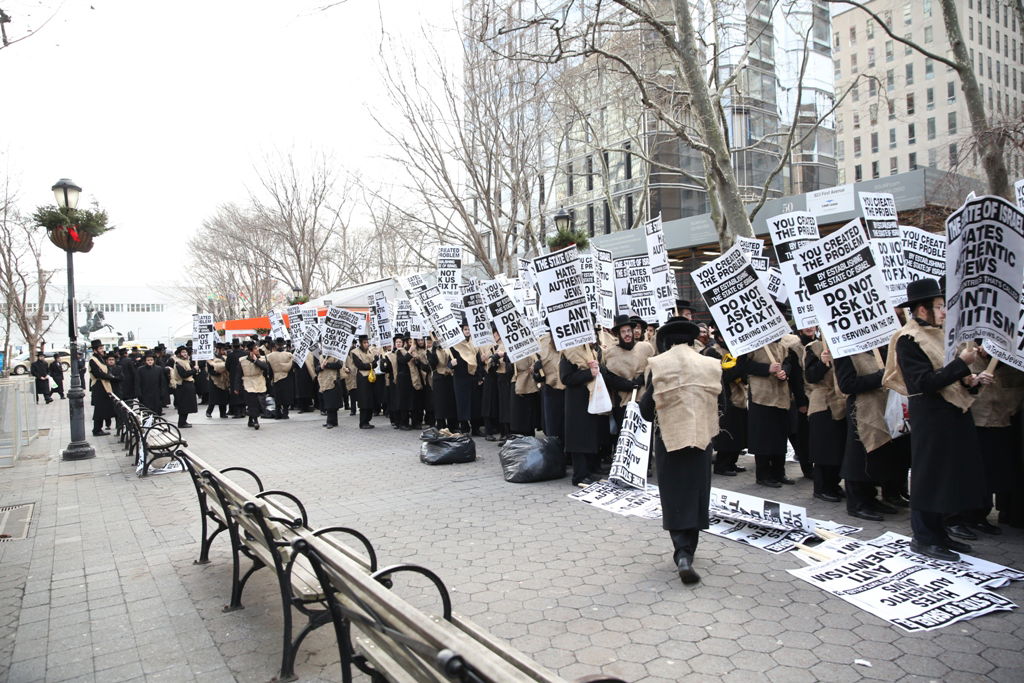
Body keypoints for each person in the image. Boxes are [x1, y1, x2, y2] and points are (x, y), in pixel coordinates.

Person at [886, 278, 988, 562]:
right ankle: (923, 537)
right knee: (929, 476)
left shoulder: (942, 334)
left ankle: (940, 533)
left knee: (947, 477)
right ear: (922, 309)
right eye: (940, 306)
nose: (944, 311)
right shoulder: (908, 339)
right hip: (931, 417)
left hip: (953, 413)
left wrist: (971, 380)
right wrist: (962, 364)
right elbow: (923, 383)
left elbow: (951, 377)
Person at [637, 318, 721, 585]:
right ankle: (688, 552)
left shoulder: (658, 365)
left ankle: (681, 552)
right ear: (692, 339)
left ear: (666, 341)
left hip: (669, 440)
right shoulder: (709, 362)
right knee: (696, 494)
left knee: (674, 495)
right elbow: (723, 403)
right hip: (701, 439)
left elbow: (646, 410)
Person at [962, 351, 1024, 533]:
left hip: (1001, 418)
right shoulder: (968, 351)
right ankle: (965, 515)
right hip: (975, 418)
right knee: (973, 471)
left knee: (991, 471)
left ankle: (980, 515)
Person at [742, 338, 794, 487]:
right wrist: (767, 368)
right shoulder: (752, 344)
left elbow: (788, 362)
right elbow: (743, 365)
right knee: (763, 437)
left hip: (781, 395)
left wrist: (785, 371)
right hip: (761, 396)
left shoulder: (783, 344)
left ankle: (779, 472)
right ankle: (763, 475)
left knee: (780, 436)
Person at [803, 334, 847, 502]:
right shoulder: (814, 348)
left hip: (841, 402)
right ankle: (822, 488)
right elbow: (810, 377)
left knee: (838, 449)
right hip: (822, 403)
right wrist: (822, 362)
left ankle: (833, 484)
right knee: (824, 450)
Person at [560, 337, 605, 486]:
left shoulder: (590, 351)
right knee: (578, 439)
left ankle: (588, 472)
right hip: (576, 403)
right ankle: (579, 475)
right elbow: (566, 378)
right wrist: (589, 373)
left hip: (589, 400)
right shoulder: (568, 352)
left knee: (588, 437)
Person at [702, 331, 748, 477]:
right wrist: (739, 367)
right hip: (725, 398)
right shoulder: (713, 352)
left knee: (738, 433)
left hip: (740, 397)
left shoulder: (736, 352)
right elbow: (723, 376)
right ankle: (722, 465)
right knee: (726, 435)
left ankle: (732, 462)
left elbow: (744, 374)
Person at [600, 314, 652, 432]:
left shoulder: (646, 348)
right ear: (618, 334)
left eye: (629, 330)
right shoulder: (610, 353)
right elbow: (608, 377)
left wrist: (641, 379)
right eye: (623, 332)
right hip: (622, 404)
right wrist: (628, 385)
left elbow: (653, 368)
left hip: (643, 401)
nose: (627, 334)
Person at [481, 328, 511, 442]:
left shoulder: (504, 344)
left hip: (502, 376)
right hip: (490, 376)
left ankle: (503, 431)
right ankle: (488, 430)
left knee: (501, 404)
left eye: (496, 333)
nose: (495, 335)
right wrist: (484, 360)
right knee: (489, 404)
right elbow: (482, 362)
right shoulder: (485, 345)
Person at [450, 322, 480, 434]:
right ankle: (464, 428)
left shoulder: (474, 344)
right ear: (462, 331)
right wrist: (451, 364)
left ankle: (476, 428)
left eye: (469, 329)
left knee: (475, 403)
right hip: (460, 379)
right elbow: (448, 362)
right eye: (465, 329)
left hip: (472, 378)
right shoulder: (455, 346)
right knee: (462, 403)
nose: (467, 331)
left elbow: (478, 362)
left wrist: (480, 377)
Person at [536, 332, 565, 440]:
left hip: (569, 389)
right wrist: (537, 371)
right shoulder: (542, 342)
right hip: (551, 389)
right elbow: (537, 375)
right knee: (553, 427)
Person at [236, 342, 269, 429]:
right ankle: (255, 421)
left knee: (259, 402)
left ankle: (251, 419)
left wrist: (255, 360)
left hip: (259, 381)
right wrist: (237, 387)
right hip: (248, 382)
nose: (257, 349)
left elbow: (266, 367)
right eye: (255, 348)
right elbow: (238, 374)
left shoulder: (262, 358)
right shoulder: (242, 360)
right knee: (252, 402)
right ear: (251, 351)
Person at [87, 340, 117, 436]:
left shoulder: (100, 358)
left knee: (102, 409)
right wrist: (111, 377)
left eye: (102, 348)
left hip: (104, 386)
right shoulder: (93, 360)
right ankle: (96, 430)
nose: (102, 350)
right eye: (100, 348)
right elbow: (98, 374)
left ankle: (99, 428)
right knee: (99, 409)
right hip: (98, 386)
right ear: (95, 350)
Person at [427, 338, 457, 430]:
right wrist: (433, 349)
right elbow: (432, 364)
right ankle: (441, 425)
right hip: (438, 378)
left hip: (449, 377)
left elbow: (454, 360)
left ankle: (452, 425)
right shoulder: (430, 351)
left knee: (450, 402)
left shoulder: (449, 349)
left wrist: (451, 365)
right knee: (440, 403)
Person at [349, 335, 378, 429]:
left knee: (370, 400)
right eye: (364, 343)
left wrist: (371, 364)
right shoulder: (355, 352)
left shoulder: (370, 351)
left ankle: (368, 421)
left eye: (367, 342)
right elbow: (360, 365)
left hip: (371, 377)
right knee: (364, 400)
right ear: (361, 343)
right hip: (362, 378)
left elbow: (375, 364)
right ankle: (363, 422)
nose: (366, 344)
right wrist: (371, 364)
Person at [169, 346, 198, 428]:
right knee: (184, 405)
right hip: (183, 386)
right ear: (179, 354)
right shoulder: (178, 363)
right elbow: (184, 375)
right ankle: (181, 423)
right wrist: (194, 370)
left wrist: (195, 370)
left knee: (187, 405)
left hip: (188, 385)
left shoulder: (186, 362)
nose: (185, 354)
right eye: (183, 352)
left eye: (185, 352)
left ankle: (184, 421)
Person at [266, 339, 295, 420]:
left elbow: (270, 369)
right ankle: (285, 413)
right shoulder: (289, 355)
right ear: (283, 345)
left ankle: (278, 413)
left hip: (276, 377)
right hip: (287, 377)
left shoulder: (270, 356)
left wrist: (270, 379)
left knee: (277, 396)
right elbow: (292, 367)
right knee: (286, 396)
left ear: (276, 345)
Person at [316, 353, 343, 429]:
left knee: (331, 404)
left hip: (333, 381)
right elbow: (316, 368)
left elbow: (339, 365)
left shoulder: (336, 355)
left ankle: (330, 422)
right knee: (328, 402)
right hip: (324, 382)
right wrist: (320, 367)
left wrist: (327, 365)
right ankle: (333, 421)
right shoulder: (320, 357)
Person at [205, 343, 230, 418]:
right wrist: (217, 372)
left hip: (223, 380)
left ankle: (223, 413)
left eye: (224, 350)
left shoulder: (225, 358)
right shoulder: (211, 359)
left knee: (223, 397)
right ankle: (209, 411)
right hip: (214, 380)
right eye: (222, 350)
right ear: (218, 349)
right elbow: (210, 371)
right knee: (213, 397)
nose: (223, 351)